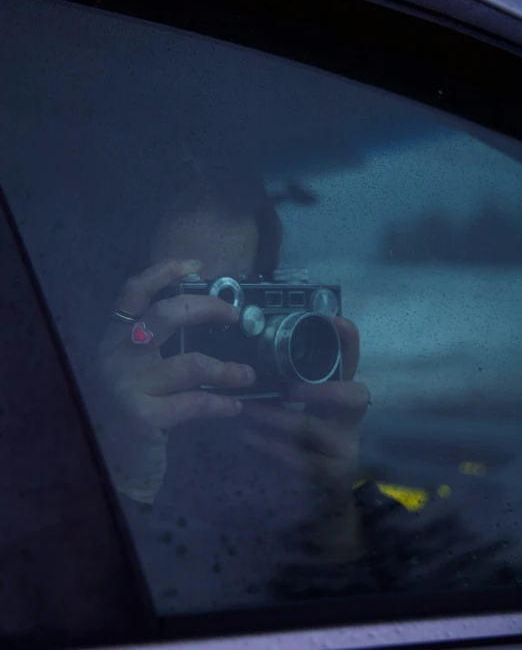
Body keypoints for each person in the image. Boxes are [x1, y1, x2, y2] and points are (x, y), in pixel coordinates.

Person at [94, 152, 515, 613]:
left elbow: (373, 607)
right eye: (190, 299)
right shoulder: (44, 446)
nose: (234, 323)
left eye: (246, 290)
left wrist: (331, 503)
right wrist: (123, 484)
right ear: (99, 310)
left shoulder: (260, 438)